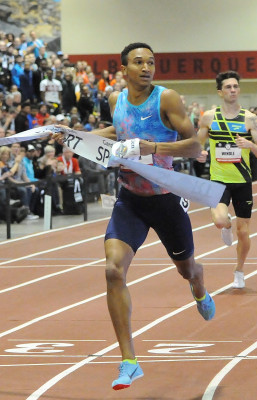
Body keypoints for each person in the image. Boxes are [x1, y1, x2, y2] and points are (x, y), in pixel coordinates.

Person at [53, 42, 215, 391]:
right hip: (131, 200)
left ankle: (199, 289)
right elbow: (117, 133)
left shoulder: (166, 99)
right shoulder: (115, 99)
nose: (146, 67)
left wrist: (151, 147)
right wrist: (72, 137)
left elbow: (194, 146)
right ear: (123, 69)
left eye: (151, 62)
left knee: (187, 269)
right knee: (113, 269)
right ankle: (129, 360)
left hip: (165, 200)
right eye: (138, 62)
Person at [196, 70, 257, 289]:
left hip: (242, 180)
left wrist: (251, 145)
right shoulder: (208, 117)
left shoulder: (250, 119)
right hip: (218, 179)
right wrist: (199, 153)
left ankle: (239, 270)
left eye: (235, 86)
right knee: (219, 221)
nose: (233, 90)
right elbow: (196, 145)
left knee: (243, 232)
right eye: (228, 87)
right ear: (220, 92)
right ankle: (225, 223)